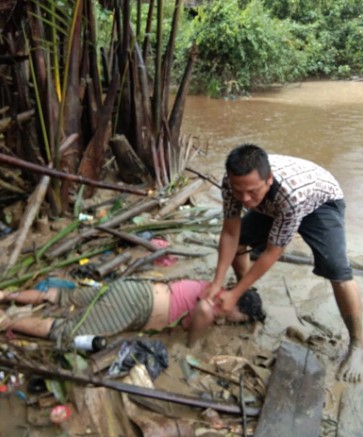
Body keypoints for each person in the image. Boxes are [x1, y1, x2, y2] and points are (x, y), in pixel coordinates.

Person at [204, 143, 363, 383]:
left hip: (321, 202)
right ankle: (247, 295)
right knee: (241, 240)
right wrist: (217, 284)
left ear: (268, 180)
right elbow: (229, 233)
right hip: (271, 203)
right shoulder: (234, 183)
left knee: (336, 269)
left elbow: (272, 252)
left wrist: (232, 294)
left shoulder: (290, 196)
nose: (245, 201)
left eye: (252, 192)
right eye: (239, 192)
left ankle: (358, 344)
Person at [0, 278, 265, 348]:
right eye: (238, 319)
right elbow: (190, 342)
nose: (234, 322)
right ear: (236, 308)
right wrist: (196, 343)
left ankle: (4, 296)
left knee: (59, 295)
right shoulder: (209, 309)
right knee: (67, 333)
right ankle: (6, 322)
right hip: (134, 306)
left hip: (133, 289)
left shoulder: (213, 287)